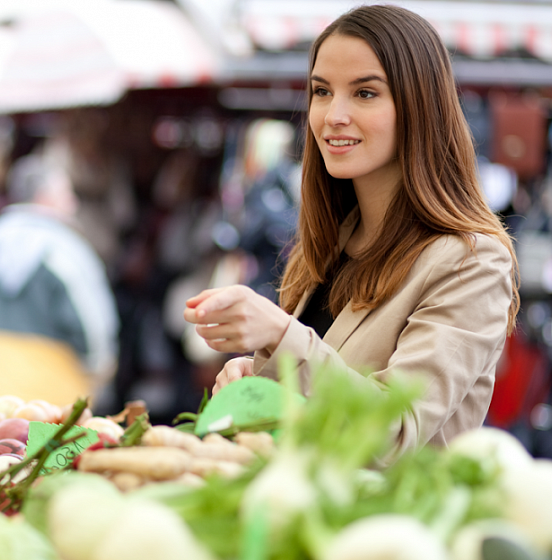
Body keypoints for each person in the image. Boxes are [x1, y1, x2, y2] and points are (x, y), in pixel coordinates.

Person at [184, 4, 519, 457]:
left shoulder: (471, 261)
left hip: (392, 524)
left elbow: (395, 429)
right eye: (322, 91)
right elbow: (320, 392)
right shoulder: (332, 242)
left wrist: (279, 336)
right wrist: (254, 376)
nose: (332, 115)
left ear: (419, 105)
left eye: (364, 94)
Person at [0, 153, 119, 406]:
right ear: (44, 196)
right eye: (66, 194)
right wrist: (99, 369)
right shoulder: (66, 249)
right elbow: (92, 323)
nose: (73, 204)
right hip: (56, 396)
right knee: (55, 446)